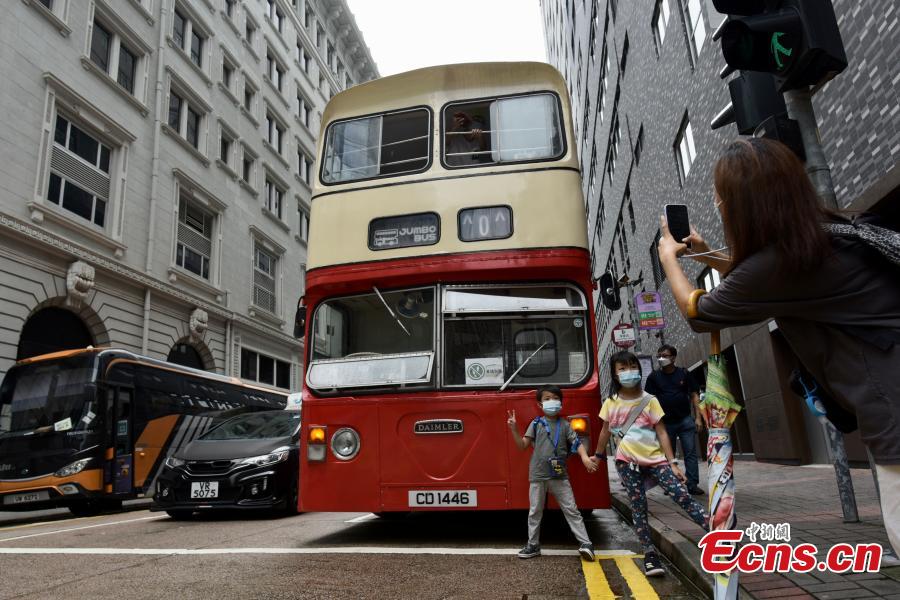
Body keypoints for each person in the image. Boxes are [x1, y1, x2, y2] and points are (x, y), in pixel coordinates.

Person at [656, 137, 900, 559]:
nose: (717, 203)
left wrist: (669, 260)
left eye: (721, 197)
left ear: (743, 204)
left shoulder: (782, 263)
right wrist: (707, 254)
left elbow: (701, 312)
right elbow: (762, 279)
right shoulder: (823, 234)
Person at [592, 351, 710, 577]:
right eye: (622, 368)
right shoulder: (611, 403)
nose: (628, 372)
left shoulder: (650, 400)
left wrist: (673, 463)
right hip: (627, 463)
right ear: (615, 375)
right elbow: (605, 431)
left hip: (656, 461)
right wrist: (598, 457)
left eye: (631, 366)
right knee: (639, 508)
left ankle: (714, 532)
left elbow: (662, 432)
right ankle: (649, 554)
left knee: (681, 495)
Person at [507, 384, 598, 561]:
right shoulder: (536, 423)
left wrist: (585, 458)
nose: (552, 402)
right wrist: (513, 429)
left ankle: (586, 543)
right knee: (535, 511)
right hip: (538, 475)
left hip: (559, 476)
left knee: (571, 510)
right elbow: (522, 446)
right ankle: (533, 544)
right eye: (547, 399)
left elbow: (577, 443)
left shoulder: (565, 425)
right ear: (540, 405)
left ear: (561, 403)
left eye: (555, 398)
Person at [644, 344, 705, 495]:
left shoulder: (684, 373)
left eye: (665, 355)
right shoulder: (654, 377)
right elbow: (648, 400)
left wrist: (698, 418)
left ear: (673, 357)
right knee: (667, 456)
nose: (661, 358)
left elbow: (694, 396)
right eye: (659, 356)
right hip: (665, 424)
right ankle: (671, 485)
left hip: (685, 420)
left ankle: (692, 484)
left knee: (690, 453)